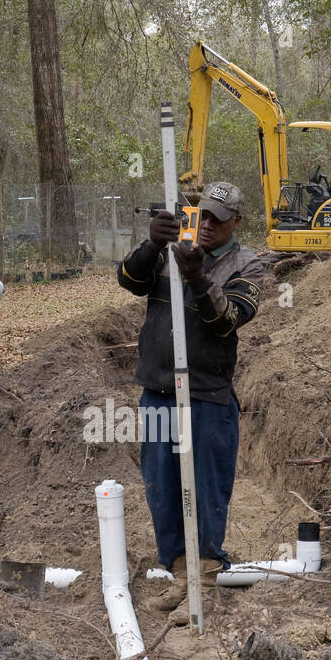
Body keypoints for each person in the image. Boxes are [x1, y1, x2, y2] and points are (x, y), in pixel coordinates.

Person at [117, 181, 263, 613]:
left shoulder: (247, 265)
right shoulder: (171, 248)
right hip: (159, 391)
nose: (209, 225)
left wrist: (198, 277)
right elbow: (128, 281)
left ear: (236, 220)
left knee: (204, 490)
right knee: (162, 487)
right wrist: (150, 245)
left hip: (207, 396)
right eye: (205, 215)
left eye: (220, 218)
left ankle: (205, 580)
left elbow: (227, 321)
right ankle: (181, 576)